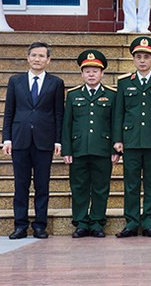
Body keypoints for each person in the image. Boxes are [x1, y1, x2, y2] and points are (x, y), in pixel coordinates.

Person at [3, 42, 65, 240]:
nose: (37, 59)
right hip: (20, 140)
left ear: (49, 60)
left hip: (44, 141)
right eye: (34, 55)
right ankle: (20, 225)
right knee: (20, 185)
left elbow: (58, 113)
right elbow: (9, 112)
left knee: (42, 185)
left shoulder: (55, 83)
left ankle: (40, 225)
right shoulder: (15, 81)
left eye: (41, 56)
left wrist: (58, 140)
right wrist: (6, 138)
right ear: (28, 58)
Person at [113, 36, 151, 238]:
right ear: (134, 59)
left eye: (146, 56)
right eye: (139, 56)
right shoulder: (124, 83)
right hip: (130, 141)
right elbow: (119, 113)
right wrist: (117, 140)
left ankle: (149, 222)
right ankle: (131, 222)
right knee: (131, 184)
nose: (142, 60)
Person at [62, 50, 118, 238]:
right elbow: (67, 124)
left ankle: (97, 222)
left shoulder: (111, 95)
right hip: (78, 149)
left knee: (101, 187)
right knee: (79, 187)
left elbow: (115, 123)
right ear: (82, 74)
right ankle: (81, 222)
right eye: (87, 71)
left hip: (102, 149)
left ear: (102, 73)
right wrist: (67, 149)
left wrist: (115, 149)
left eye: (95, 71)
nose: (91, 74)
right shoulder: (73, 95)